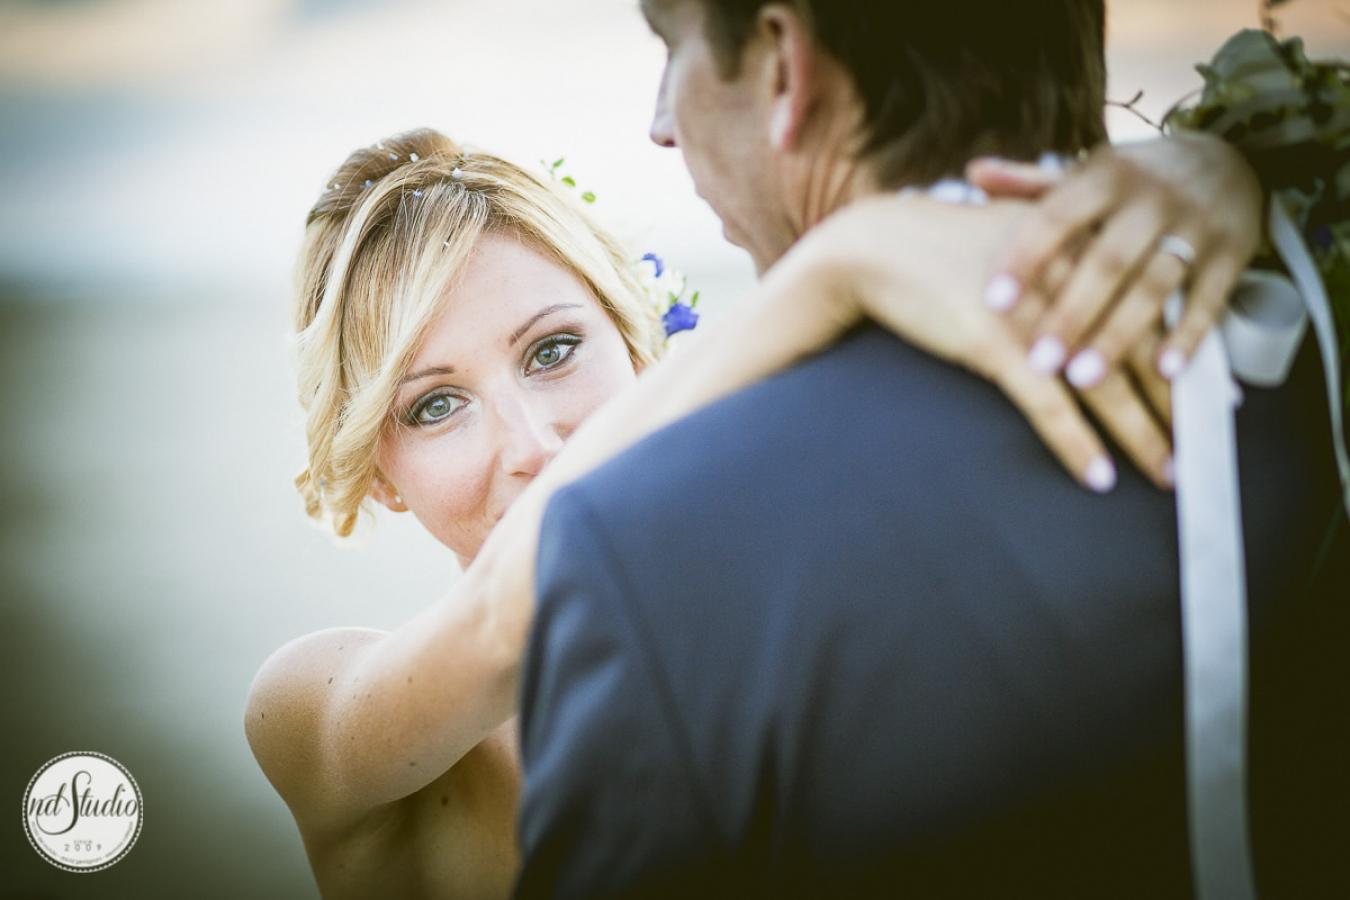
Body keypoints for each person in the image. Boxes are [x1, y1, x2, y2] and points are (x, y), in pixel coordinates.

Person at [245, 111, 1263, 897]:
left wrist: (1215, 174)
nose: (534, 445)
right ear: (376, 469)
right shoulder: (314, 714)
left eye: (554, 350)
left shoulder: (809, 634)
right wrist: (834, 269)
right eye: (435, 407)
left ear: (642, 345)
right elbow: (512, 609)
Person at [514, 1, 1350, 897]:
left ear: (782, 65)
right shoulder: (1313, 332)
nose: (661, 125)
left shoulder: (644, 550)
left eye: (670, 47)